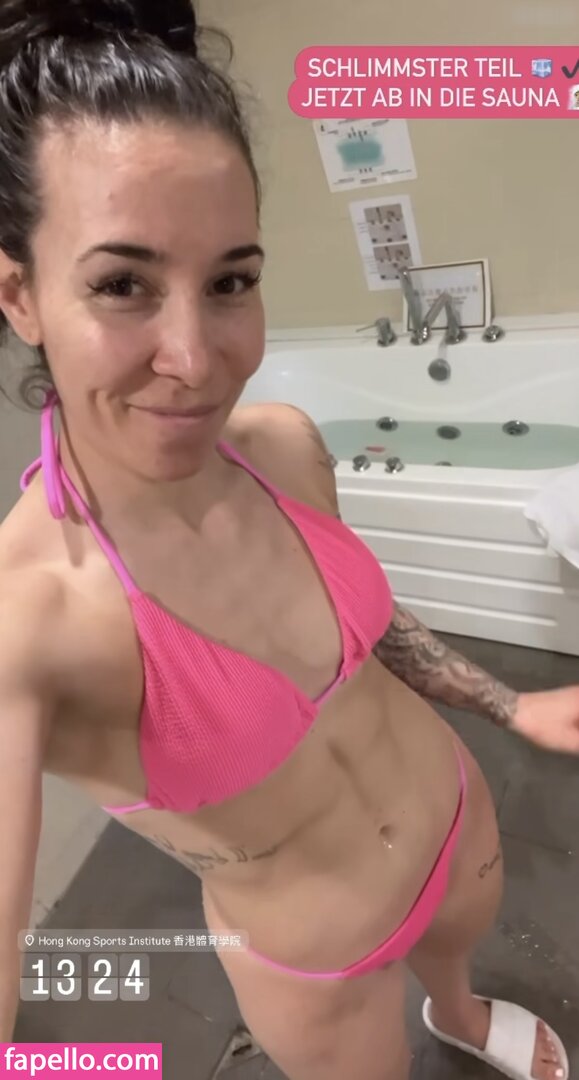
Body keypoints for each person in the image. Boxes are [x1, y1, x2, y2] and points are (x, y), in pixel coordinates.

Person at [0, 3, 576, 1077]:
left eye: (231, 281)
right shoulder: (28, 620)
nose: (196, 358)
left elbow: (362, 633)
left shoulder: (284, 445)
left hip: (455, 819)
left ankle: (457, 1013)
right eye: (122, 284)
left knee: (456, 968)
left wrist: (505, 704)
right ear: (19, 295)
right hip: (321, 962)